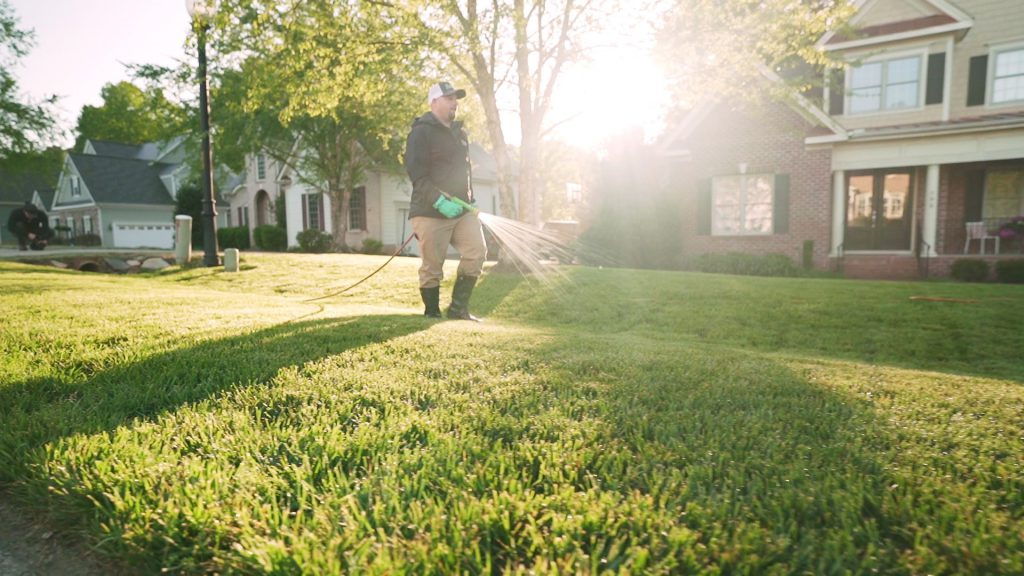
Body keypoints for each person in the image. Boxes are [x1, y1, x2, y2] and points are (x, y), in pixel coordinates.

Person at [404, 81, 487, 321]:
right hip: (429, 210)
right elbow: (417, 174)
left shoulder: (460, 134)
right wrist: (439, 201)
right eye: (449, 98)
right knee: (432, 265)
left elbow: (464, 173)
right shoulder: (420, 132)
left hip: (462, 210)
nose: (455, 103)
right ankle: (432, 312)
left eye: (456, 98)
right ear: (434, 102)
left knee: (477, 251)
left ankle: (458, 309)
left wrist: (471, 199)